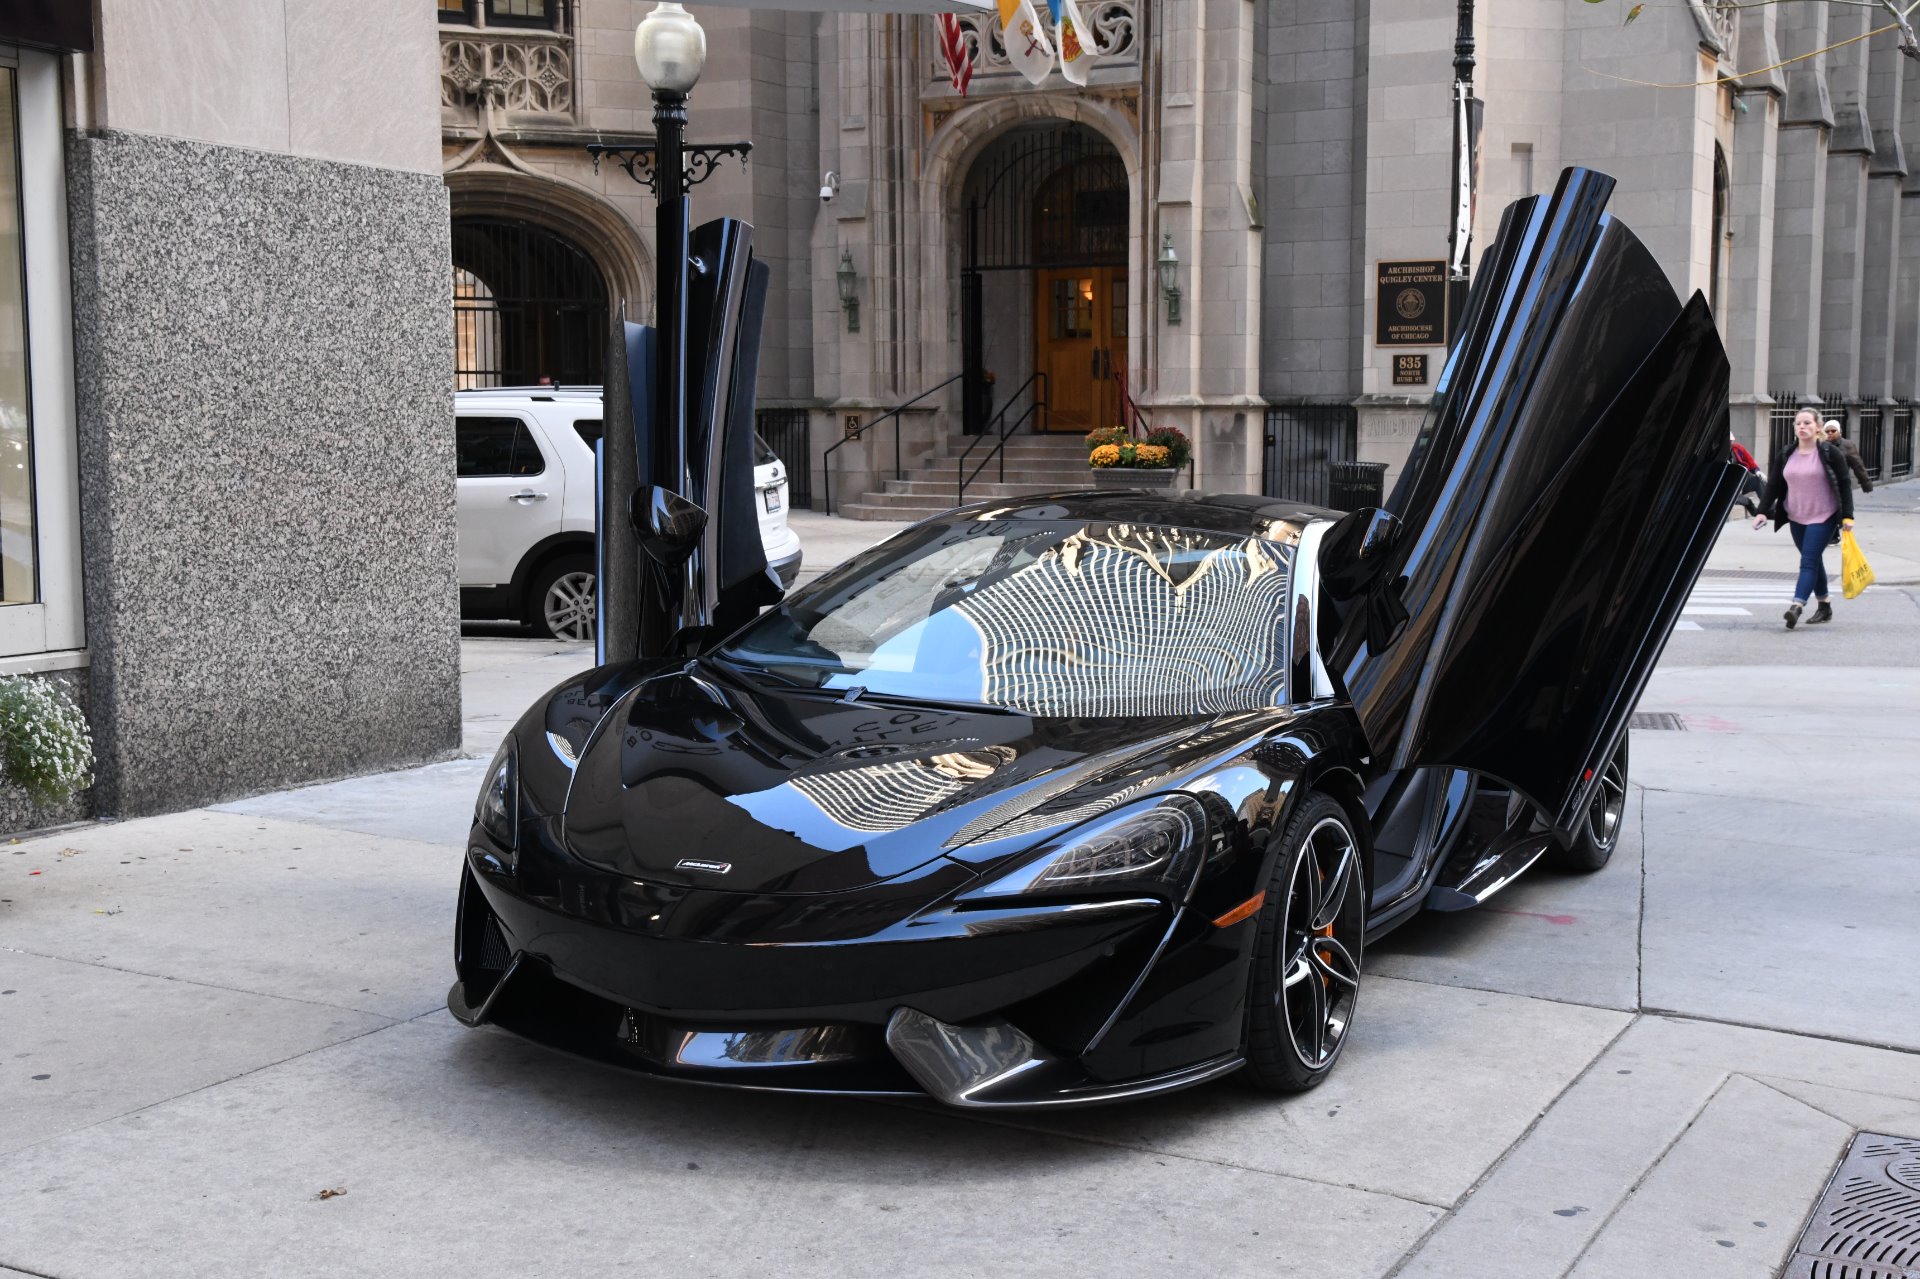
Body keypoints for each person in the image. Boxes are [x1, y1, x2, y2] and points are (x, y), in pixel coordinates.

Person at [1753, 406, 1854, 628]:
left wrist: (1848, 516)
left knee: (1808, 561)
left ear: (1818, 427)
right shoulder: (1786, 453)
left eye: (1807, 423)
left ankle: (1796, 606)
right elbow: (1773, 485)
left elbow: (1845, 484)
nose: (1802, 426)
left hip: (1824, 516)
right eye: (1798, 423)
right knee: (1814, 559)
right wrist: (1762, 511)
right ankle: (1824, 606)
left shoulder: (1830, 453)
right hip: (1796, 516)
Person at [1823, 419, 1873, 493]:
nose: (1830, 433)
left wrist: (1866, 484)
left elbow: (1858, 466)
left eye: (1833, 431)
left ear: (1839, 431)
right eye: (1827, 431)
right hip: (1823, 485)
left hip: (1841, 484)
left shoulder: (1847, 445)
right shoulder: (1821, 445)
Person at [1729, 432, 1763, 517]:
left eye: (1731, 441)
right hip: (1729, 488)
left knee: (1758, 481)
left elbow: (1750, 460)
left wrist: (1757, 471)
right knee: (1742, 500)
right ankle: (1753, 509)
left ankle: (1769, 508)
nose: (1730, 443)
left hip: (1742, 482)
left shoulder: (1738, 449)